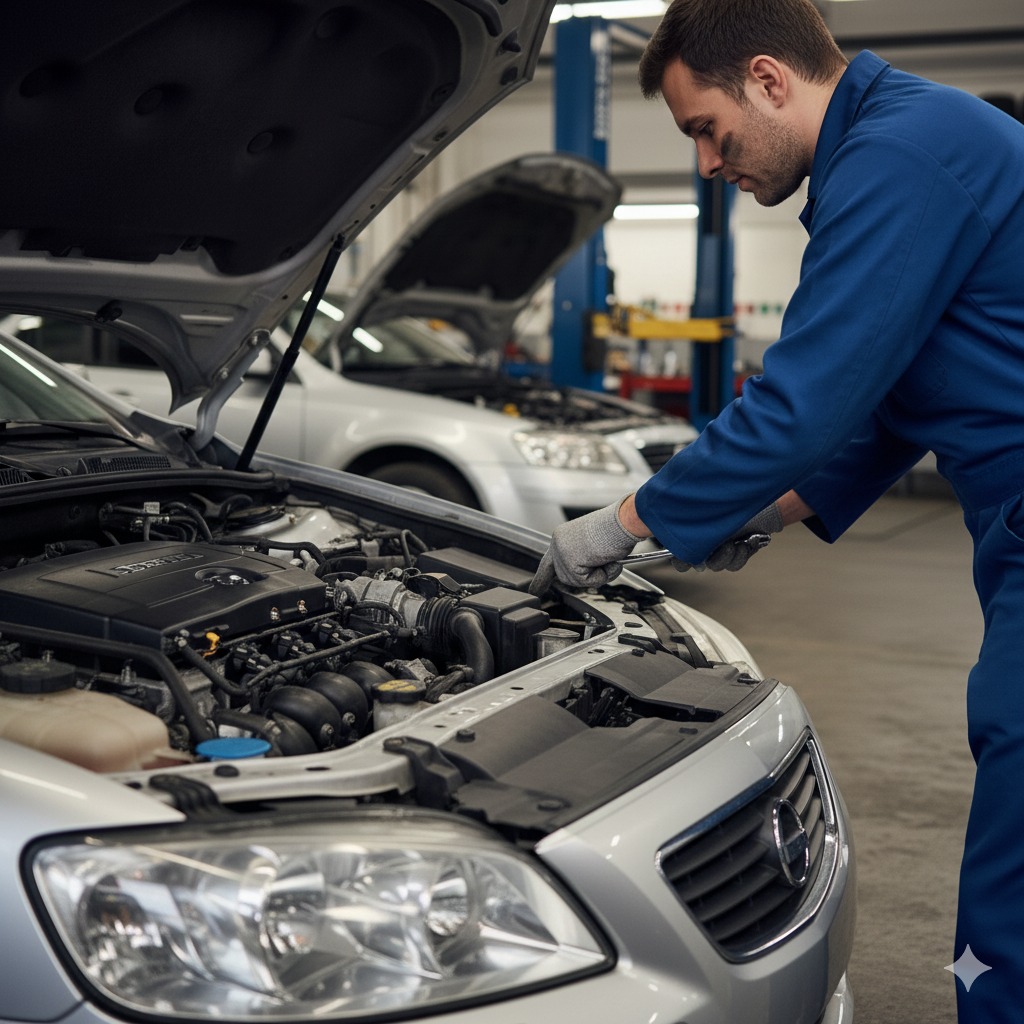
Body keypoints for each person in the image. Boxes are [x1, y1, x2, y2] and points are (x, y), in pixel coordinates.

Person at [529, 1, 1024, 1021]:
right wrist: (765, 509)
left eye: (704, 130)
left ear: (766, 78)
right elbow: (892, 406)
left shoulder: (901, 153)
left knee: (1016, 858)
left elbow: (806, 398)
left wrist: (618, 524)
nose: (708, 163)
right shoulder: (902, 145)